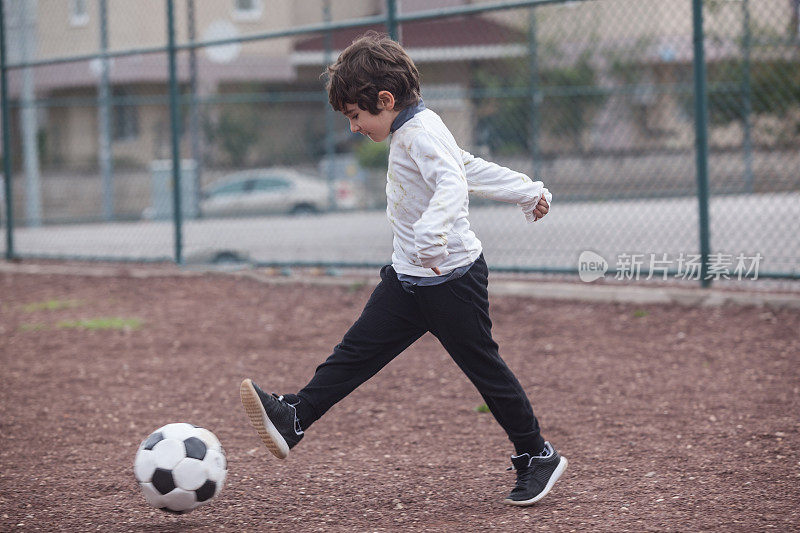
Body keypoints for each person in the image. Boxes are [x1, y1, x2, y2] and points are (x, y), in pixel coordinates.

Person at [240, 31, 566, 506]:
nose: (353, 127)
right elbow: (465, 166)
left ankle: (537, 455)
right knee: (355, 352)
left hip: (452, 282)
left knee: (485, 370)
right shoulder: (414, 128)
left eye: (355, 116)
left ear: (385, 100)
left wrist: (431, 236)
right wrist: (527, 190)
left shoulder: (419, 131)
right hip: (410, 279)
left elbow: (452, 184)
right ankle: (295, 417)